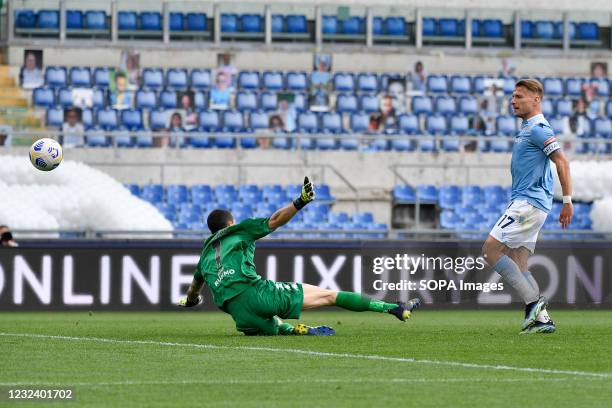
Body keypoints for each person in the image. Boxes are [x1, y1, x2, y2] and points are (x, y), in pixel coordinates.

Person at [179, 177, 420, 336]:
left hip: (239, 316)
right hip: (257, 294)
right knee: (330, 296)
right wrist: (300, 201)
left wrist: (190, 302)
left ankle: (296, 330)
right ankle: (394, 308)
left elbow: (193, 291)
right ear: (230, 223)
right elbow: (274, 220)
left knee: (272, 326)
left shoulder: (204, 256)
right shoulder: (238, 230)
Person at [481, 79, 573, 335]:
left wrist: (567, 201)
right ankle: (542, 320)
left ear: (536, 99)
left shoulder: (539, 129)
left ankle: (534, 304)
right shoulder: (527, 128)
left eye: (519, 96)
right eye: (512, 96)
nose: (513, 101)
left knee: (489, 250)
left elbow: (562, 162)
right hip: (529, 203)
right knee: (520, 266)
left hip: (528, 204)